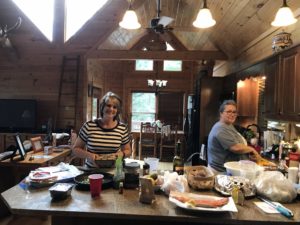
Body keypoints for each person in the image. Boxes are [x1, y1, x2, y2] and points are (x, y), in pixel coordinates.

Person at [72, 91, 131, 168]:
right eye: (108, 105)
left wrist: (121, 154)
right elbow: (76, 149)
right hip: (91, 170)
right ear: (102, 107)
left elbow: (128, 151)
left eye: (114, 107)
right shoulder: (89, 126)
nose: (111, 109)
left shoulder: (122, 128)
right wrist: (89, 155)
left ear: (117, 111)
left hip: (114, 170)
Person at [207, 100, 262, 173]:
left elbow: (239, 138)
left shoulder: (228, 125)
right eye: (228, 112)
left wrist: (248, 153)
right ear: (221, 113)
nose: (232, 114)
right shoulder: (220, 129)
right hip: (222, 173)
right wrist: (252, 150)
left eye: (234, 112)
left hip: (231, 169)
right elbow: (235, 148)